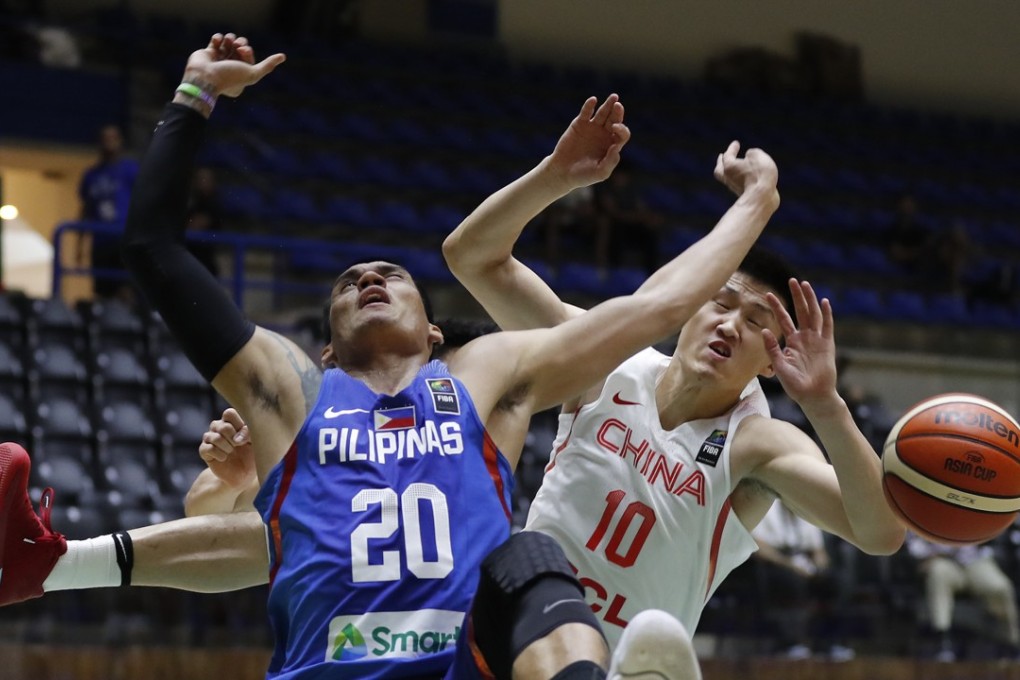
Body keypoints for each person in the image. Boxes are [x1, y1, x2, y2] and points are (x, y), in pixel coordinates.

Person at [0, 32, 780, 680]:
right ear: (327, 341)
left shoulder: (487, 377)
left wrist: (754, 203)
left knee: (527, 561)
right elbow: (153, 249)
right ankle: (56, 564)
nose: (370, 276)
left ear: (436, 332)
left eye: (391, 275)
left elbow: (660, 307)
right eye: (350, 281)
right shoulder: (290, 393)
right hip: (328, 666)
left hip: (460, 665)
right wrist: (194, 94)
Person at [441, 100, 906, 652]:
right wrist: (554, 177)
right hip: (515, 644)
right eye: (720, 303)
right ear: (688, 304)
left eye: (756, 322)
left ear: (772, 359)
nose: (731, 325)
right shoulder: (602, 359)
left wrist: (826, 404)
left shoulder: (756, 444)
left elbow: (880, 533)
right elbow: (472, 257)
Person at [751, 500, 853, 661]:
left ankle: (829, 643)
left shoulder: (804, 507)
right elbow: (758, 546)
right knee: (792, 582)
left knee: (836, 583)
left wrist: (819, 567)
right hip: (777, 563)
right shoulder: (766, 508)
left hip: (804, 563)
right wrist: (790, 564)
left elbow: (819, 551)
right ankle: (790, 643)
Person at [905, 532, 1020, 662]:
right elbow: (912, 543)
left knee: (1000, 587)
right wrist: (923, 558)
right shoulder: (922, 512)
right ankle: (943, 642)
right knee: (938, 574)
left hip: (975, 560)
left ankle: (1011, 644)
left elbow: (993, 537)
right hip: (942, 561)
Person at [77, 122, 140, 303]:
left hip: (123, 238)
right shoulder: (91, 175)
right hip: (100, 241)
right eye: (105, 139)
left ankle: (129, 327)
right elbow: (85, 209)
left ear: (120, 141)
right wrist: (80, 245)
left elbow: (142, 201)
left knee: (126, 289)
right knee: (103, 291)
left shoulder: (130, 169)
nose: (109, 143)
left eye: (113, 138)